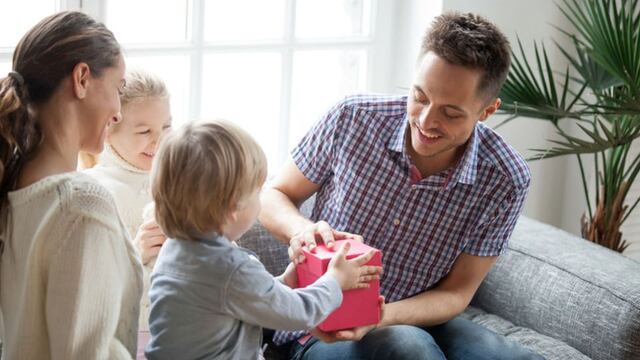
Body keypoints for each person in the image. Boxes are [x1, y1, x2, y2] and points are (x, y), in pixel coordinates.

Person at [260, 12, 543, 360]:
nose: (425, 122)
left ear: (487, 111)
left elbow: (456, 293)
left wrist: (381, 315)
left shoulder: (505, 178)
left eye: (451, 113)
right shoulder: (353, 118)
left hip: (418, 313)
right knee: (409, 349)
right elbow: (273, 196)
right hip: (323, 318)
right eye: (420, 96)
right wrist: (302, 231)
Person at [145, 121, 382, 360]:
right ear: (232, 207)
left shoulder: (174, 250)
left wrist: (284, 283)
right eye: (257, 192)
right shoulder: (230, 268)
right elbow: (297, 313)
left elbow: (242, 297)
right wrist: (335, 280)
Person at [0, 11, 141, 359]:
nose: (118, 111)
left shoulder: (13, 191)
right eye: (118, 88)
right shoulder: (81, 205)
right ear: (81, 78)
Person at [83, 69, 171, 335]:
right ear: (109, 129)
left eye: (166, 127)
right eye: (144, 131)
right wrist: (137, 252)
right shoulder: (91, 189)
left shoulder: (182, 179)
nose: (159, 140)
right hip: (130, 332)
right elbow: (85, 288)